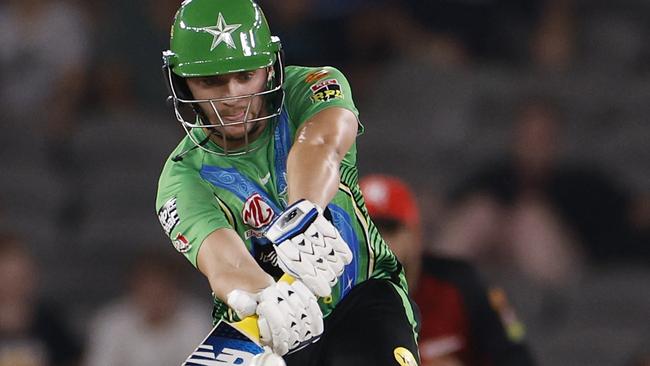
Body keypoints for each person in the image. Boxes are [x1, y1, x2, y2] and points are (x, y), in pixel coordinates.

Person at [155, 0, 419, 365]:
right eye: (211, 82)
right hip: (271, 325)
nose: (233, 97)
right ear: (182, 81)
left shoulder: (314, 85)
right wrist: (264, 294)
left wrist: (302, 215)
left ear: (271, 66)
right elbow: (221, 261)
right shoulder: (181, 177)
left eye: (246, 76)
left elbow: (322, 144)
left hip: (364, 298)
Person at [360, 175, 534, 366]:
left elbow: (518, 356)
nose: (376, 242)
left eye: (389, 230)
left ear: (416, 235)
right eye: (366, 230)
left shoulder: (463, 283)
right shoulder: (336, 297)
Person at [83, 250, 210, 366]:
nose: (154, 299)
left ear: (176, 288)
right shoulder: (111, 322)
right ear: (134, 288)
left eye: (162, 291)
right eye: (148, 291)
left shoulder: (198, 321)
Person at [0, 231, 82, 366]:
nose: (11, 285)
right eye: (5, 277)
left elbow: (73, 358)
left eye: (18, 277)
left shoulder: (48, 319)